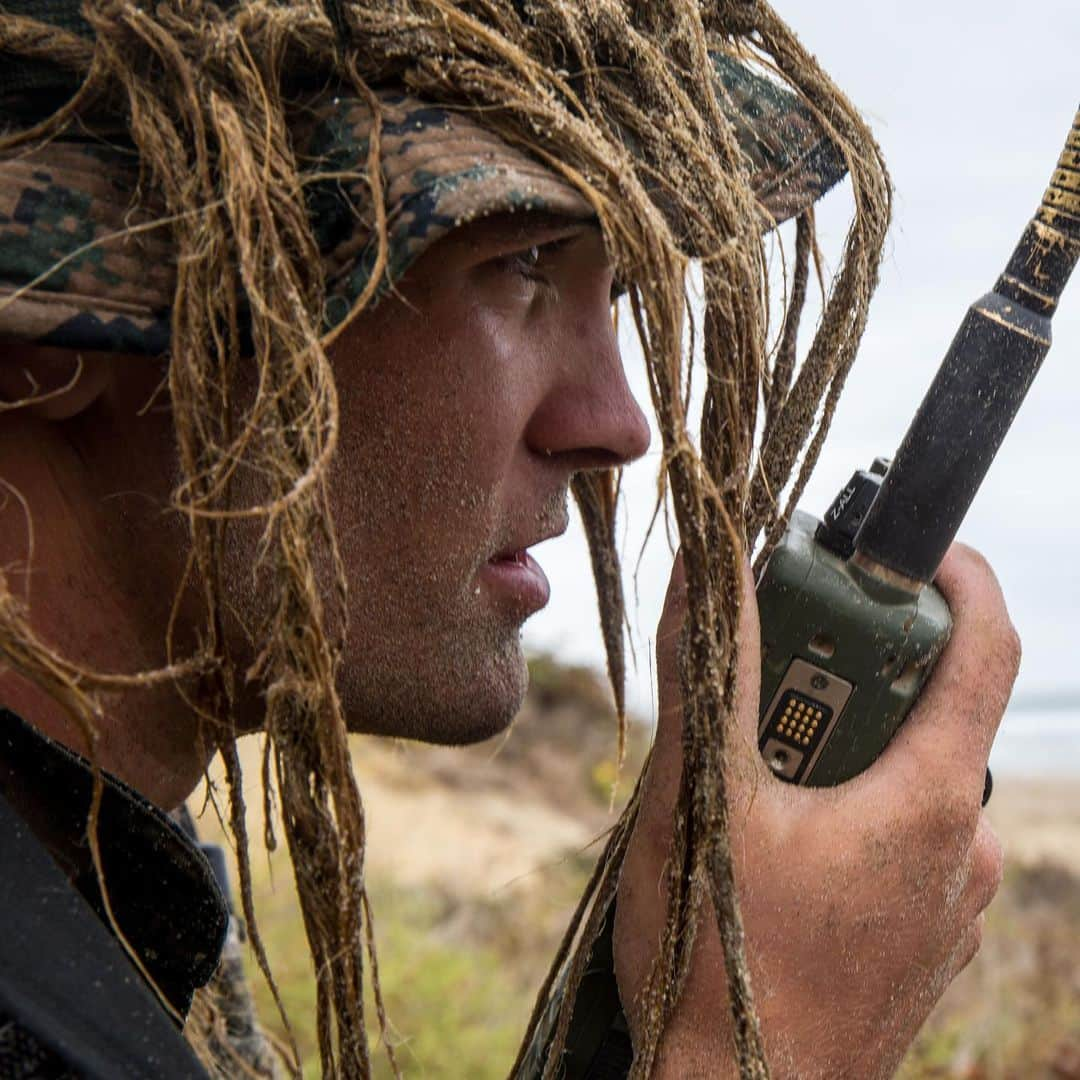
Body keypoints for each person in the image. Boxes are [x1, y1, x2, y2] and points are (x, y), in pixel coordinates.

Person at [0, 2, 1016, 1077]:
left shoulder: (104, 898)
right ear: (49, 329)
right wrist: (753, 1053)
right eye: (521, 262)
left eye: (616, 286)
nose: (614, 424)